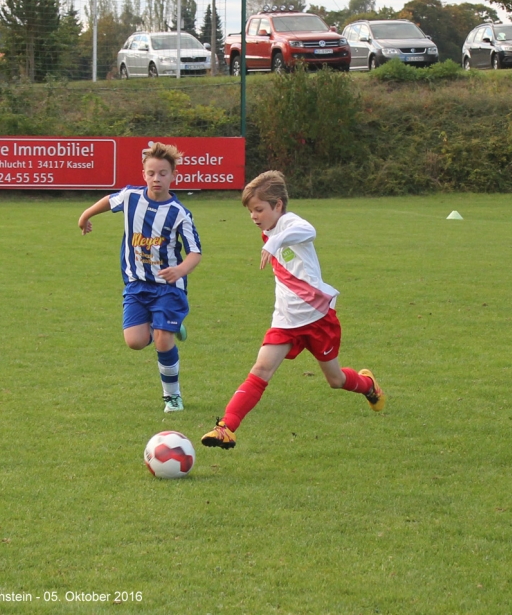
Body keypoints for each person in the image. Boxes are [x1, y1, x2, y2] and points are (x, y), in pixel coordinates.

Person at [201, 170, 384, 450]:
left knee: (335, 380)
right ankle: (225, 428)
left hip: (318, 318)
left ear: (278, 205)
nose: (253, 216)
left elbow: (309, 231)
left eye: (259, 209)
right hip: (286, 321)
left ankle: (368, 385)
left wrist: (277, 241)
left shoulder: (289, 223)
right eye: (250, 211)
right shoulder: (269, 230)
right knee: (261, 369)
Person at [78, 142, 202, 413]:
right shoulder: (131, 197)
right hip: (136, 284)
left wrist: (180, 270)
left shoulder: (179, 214)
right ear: (143, 174)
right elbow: (109, 200)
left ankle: (172, 397)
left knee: (163, 341)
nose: (157, 178)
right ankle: (167, 326)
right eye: (151, 173)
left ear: (173, 176)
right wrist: (85, 215)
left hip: (169, 287)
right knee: (134, 342)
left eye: (163, 173)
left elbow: (195, 252)